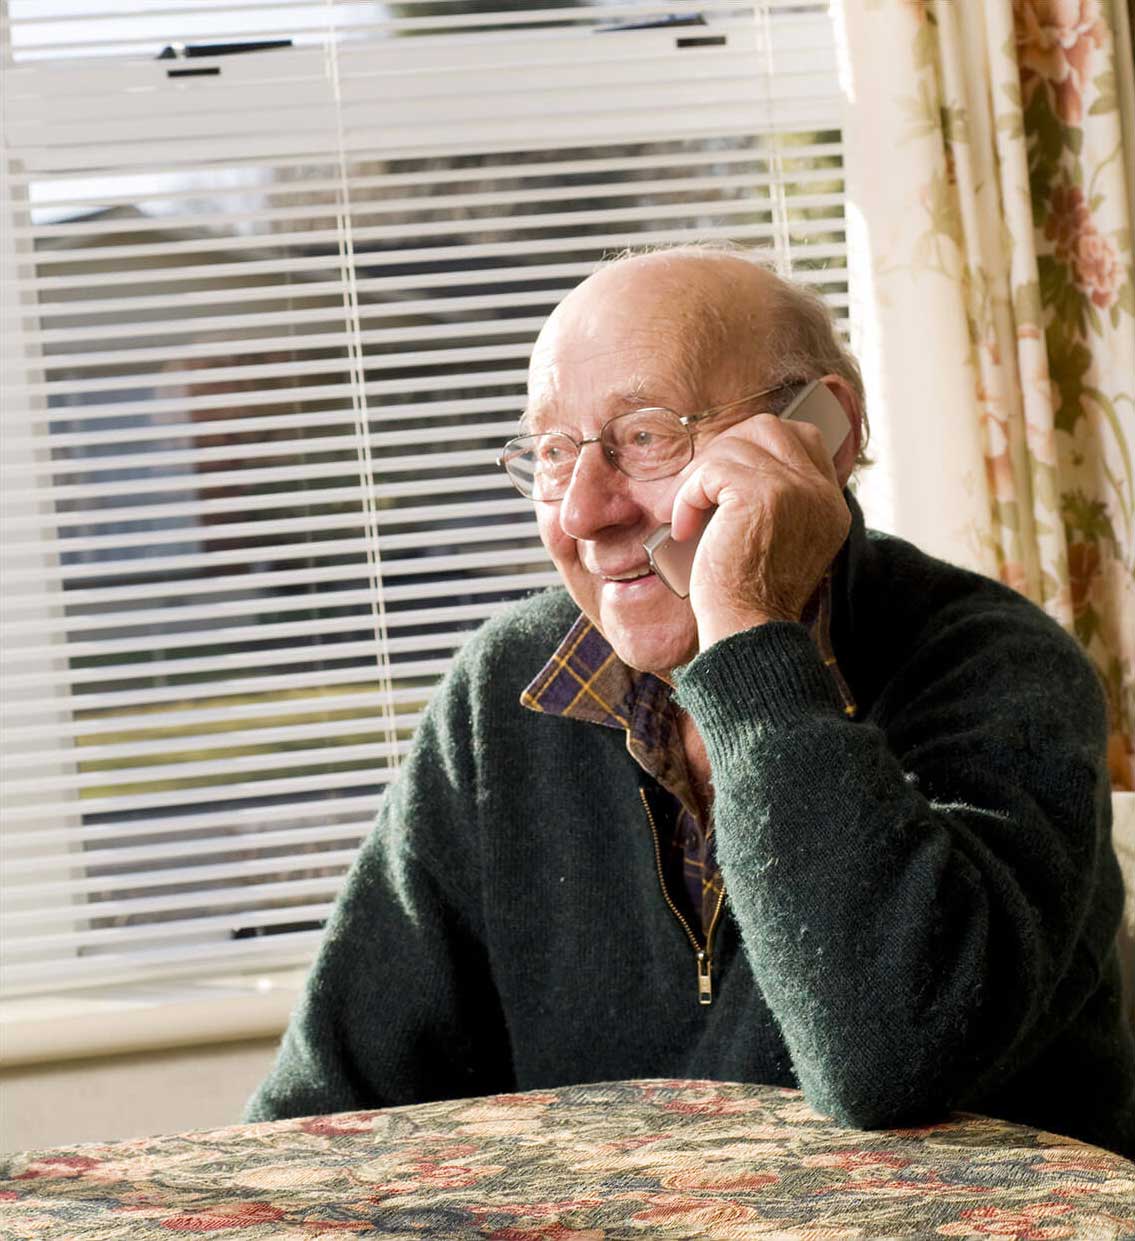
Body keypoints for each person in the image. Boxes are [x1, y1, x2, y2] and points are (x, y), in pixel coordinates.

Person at [246, 247, 1135, 1158]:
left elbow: (891, 1061)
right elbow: (325, 1109)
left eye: (645, 435)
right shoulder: (503, 689)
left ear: (826, 431)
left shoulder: (996, 666)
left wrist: (747, 630)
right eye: (553, 453)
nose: (586, 513)